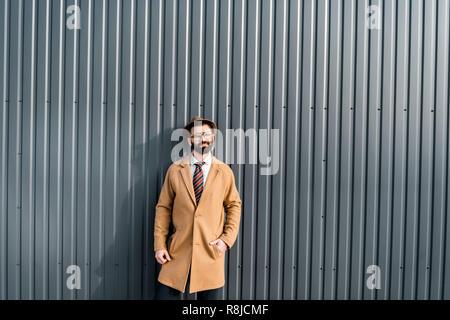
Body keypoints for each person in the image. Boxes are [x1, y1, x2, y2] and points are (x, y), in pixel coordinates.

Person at [154, 116, 242, 300]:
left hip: (211, 253)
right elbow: (163, 208)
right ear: (189, 139)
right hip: (176, 253)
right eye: (198, 135)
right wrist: (159, 245)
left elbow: (234, 205)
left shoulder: (224, 171)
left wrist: (226, 240)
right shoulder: (175, 170)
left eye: (208, 134)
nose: (204, 138)